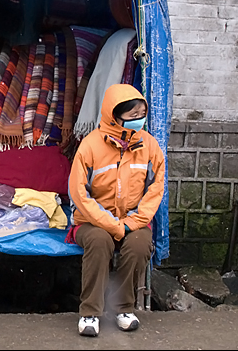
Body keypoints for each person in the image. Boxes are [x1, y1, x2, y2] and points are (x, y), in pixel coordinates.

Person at [67, 83, 165, 337]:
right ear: (114, 116)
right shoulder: (90, 146)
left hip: (132, 220)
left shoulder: (150, 147)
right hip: (91, 221)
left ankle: (124, 307)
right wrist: (112, 225)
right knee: (100, 242)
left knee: (140, 244)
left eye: (142, 115)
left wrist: (132, 223)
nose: (138, 120)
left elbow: (155, 190)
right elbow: (79, 194)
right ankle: (90, 312)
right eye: (132, 116)